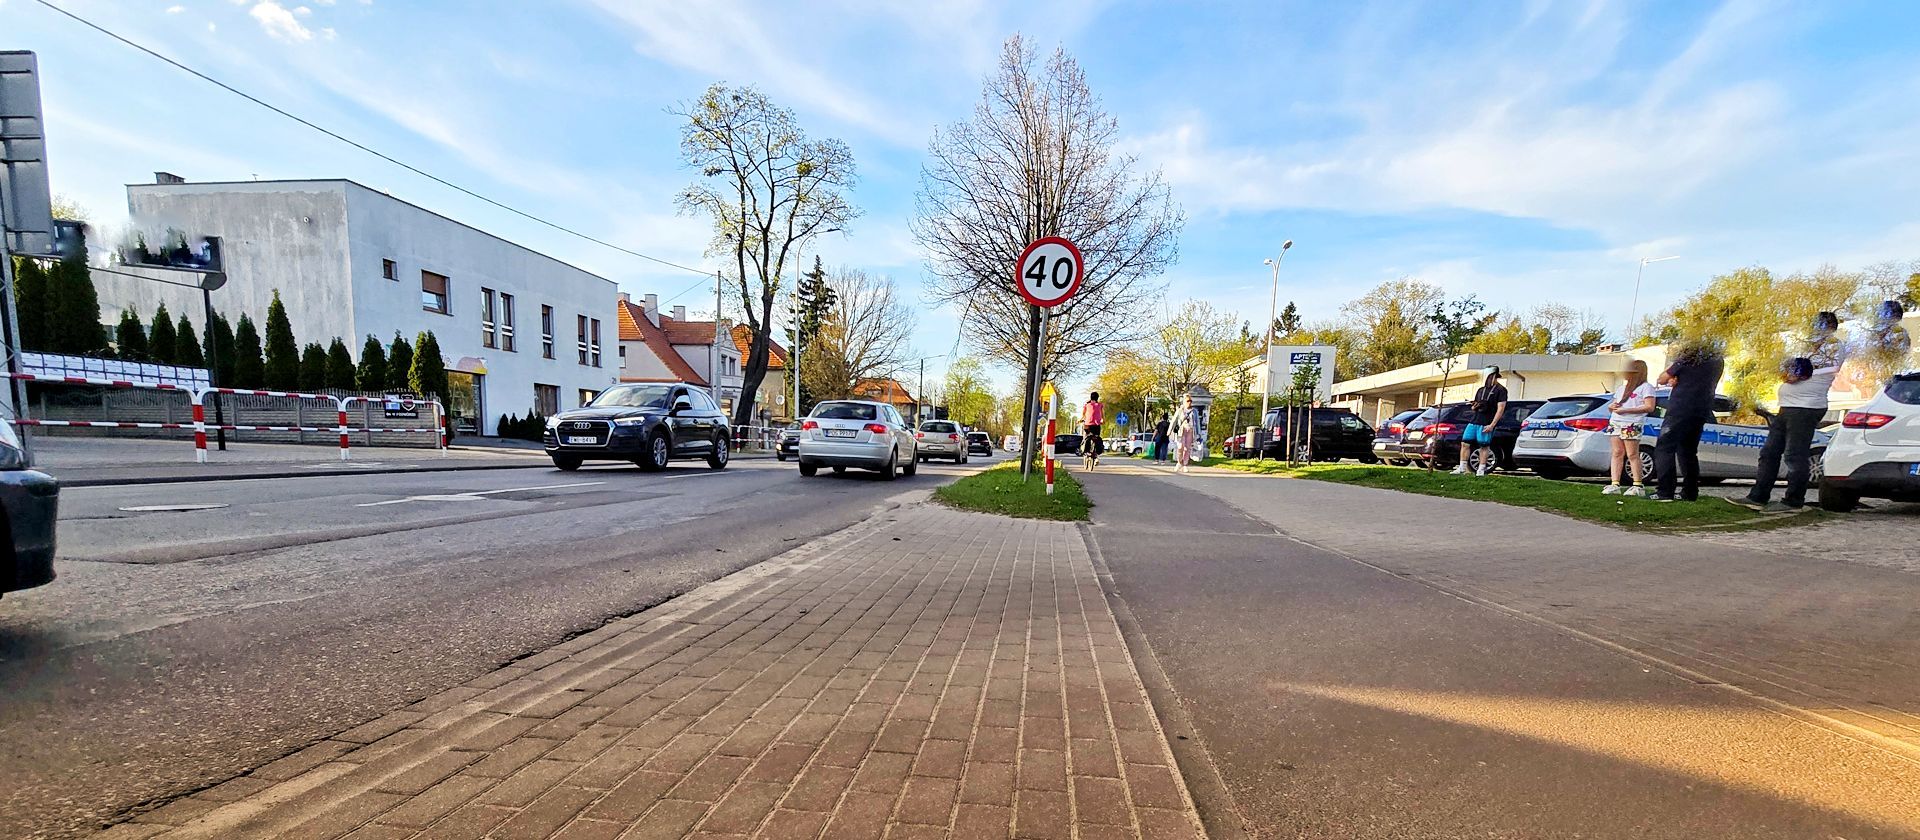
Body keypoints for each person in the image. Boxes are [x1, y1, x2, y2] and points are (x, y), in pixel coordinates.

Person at [1734, 312, 1846, 511]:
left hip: (1806, 407)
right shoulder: (1806, 346)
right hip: (1787, 406)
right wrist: (1786, 372)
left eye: (1819, 325)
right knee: (1769, 452)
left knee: (1795, 455)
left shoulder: (1834, 346)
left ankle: (1793, 500)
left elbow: (1832, 368)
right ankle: (1758, 496)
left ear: (1830, 328)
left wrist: (1802, 374)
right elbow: (1787, 365)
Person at [1653, 338, 1725, 502]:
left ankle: (1665, 491)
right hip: (1702, 409)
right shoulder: (1717, 360)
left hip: (1680, 408)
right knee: (1688, 451)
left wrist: (1673, 376)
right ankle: (1690, 492)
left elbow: (1662, 379)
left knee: (1664, 447)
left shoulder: (1688, 357)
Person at [1602, 359, 1657, 496]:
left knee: (1632, 454)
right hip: (1616, 422)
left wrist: (1627, 410)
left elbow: (1649, 407)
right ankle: (1615, 483)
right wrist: (1611, 407)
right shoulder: (1621, 389)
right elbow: (1614, 405)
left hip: (1632, 423)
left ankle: (1637, 484)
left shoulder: (1646, 387)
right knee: (1617, 452)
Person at [1454, 367, 1507, 476]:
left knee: (1484, 445)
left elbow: (1501, 408)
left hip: (1487, 422)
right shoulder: (1481, 390)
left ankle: (1481, 469)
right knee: (1465, 443)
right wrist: (1475, 406)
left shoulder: (1501, 390)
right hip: (1474, 420)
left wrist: (1492, 425)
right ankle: (1462, 467)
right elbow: (1475, 406)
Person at [1171, 395, 1199, 473]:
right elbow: (1174, 420)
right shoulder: (1180, 410)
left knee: (1187, 448)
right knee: (1180, 447)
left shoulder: (1194, 411)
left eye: (1190, 401)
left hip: (1190, 430)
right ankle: (1179, 462)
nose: (1189, 402)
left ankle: (1185, 465)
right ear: (1184, 402)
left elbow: (1197, 422)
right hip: (1181, 430)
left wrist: (1198, 433)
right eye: (1187, 401)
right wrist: (1169, 430)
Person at [1080, 391, 1105, 470]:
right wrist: (1103, 421)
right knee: (1097, 438)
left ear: (1090, 397)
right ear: (1097, 398)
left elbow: (1083, 415)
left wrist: (1080, 420)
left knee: (1087, 437)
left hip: (1088, 425)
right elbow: (1102, 415)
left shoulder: (1087, 405)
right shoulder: (1100, 405)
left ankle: (1086, 451)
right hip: (1097, 425)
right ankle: (1096, 456)